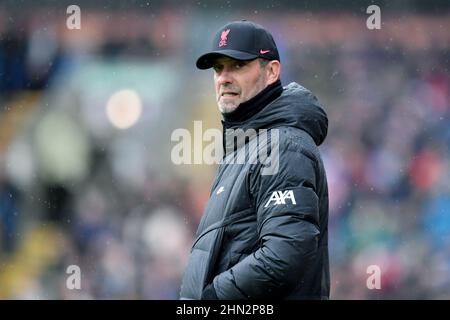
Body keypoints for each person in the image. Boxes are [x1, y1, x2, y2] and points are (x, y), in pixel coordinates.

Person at [180, 20, 330, 299]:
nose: (223, 77)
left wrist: (215, 297)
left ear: (272, 71)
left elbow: (286, 252)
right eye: (217, 68)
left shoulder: (283, 146)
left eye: (237, 65)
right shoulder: (245, 146)